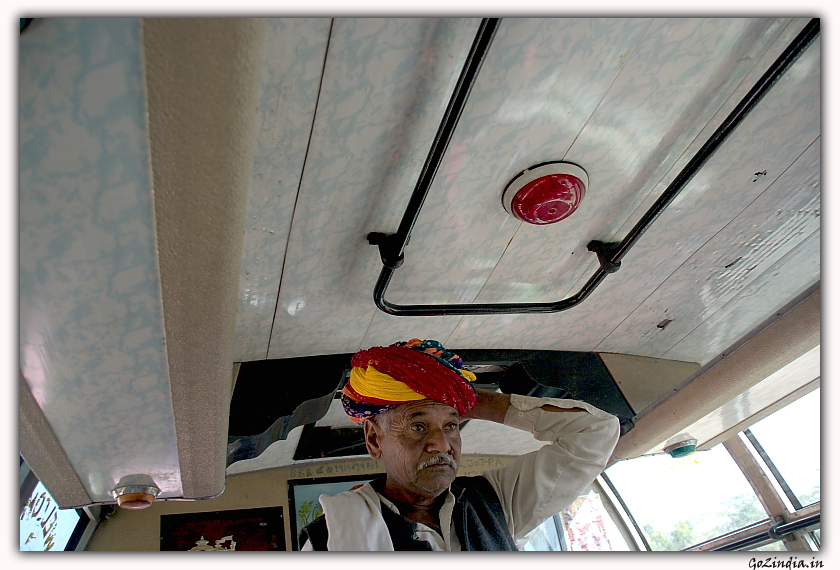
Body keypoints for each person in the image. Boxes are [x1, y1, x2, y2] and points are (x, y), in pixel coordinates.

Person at [299, 339, 620, 551]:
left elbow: (596, 432)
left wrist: (468, 399)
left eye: (451, 425)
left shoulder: (498, 502)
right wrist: (447, 396)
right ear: (373, 439)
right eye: (418, 426)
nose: (442, 444)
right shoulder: (329, 539)